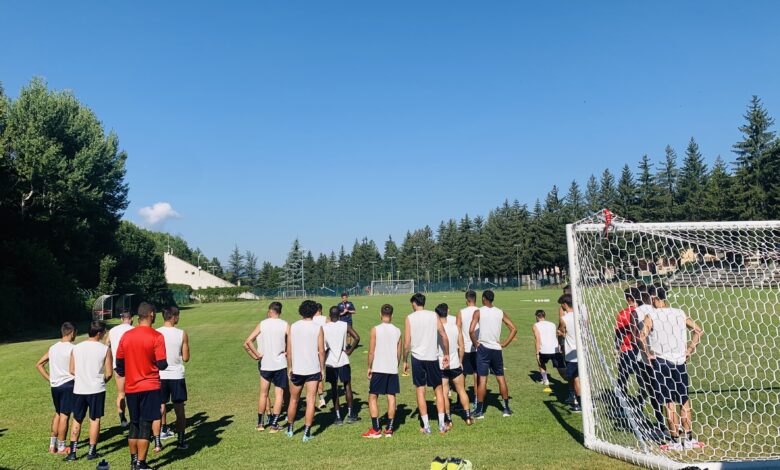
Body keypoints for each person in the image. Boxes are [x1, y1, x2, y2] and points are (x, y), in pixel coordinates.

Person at [640, 285, 704, 451]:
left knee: (669, 403)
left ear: (654, 298)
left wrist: (647, 354)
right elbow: (698, 331)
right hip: (679, 361)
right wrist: (689, 350)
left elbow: (641, 336)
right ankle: (689, 439)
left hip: (662, 362)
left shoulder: (651, 315)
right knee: (684, 400)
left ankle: (675, 441)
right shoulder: (679, 313)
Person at [116, 302, 168, 470]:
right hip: (150, 386)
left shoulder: (126, 336)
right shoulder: (157, 336)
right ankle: (141, 463)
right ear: (151, 314)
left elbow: (119, 364)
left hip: (131, 387)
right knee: (145, 424)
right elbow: (162, 364)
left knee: (134, 424)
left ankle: (133, 461)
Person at [403, 292, 450, 435]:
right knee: (438, 389)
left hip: (417, 358)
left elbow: (407, 343)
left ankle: (427, 426)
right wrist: (447, 353)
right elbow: (443, 334)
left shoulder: (410, 318)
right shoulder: (433, 315)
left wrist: (404, 360)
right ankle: (441, 425)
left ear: (414, 303)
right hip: (432, 356)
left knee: (420, 390)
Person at [66, 321, 112, 461]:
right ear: (99, 333)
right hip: (96, 389)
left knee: (77, 419)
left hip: (79, 388)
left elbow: (71, 370)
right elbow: (109, 373)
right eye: (104, 332)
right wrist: (100, 381)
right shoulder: (104, 349)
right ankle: (92, 452)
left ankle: (72, 453)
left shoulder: (76, 348)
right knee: (95, 419)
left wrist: (83, 377)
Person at [469, 290, 517, 418]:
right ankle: (506, 408)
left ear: (484, 298)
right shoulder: (500, 312)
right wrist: (505, 343)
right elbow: (514, 328)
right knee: (500, 378)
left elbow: (471, 331)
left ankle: (479, 411)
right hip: (496, 349)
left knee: (482, 380)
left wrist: (475, 343)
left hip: (483, 349)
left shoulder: (478, 312)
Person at [244, 301, 289, 433]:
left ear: (270, 311)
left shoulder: (263, 324)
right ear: (279, 312)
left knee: (263, 394)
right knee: (279, 394)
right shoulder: (285, 324)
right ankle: (274, 425)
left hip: (265, 364)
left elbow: (248, 341)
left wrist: (256, 354)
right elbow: (292, 340)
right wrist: (287, 351)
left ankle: (260, 423)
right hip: (280, 364)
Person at [286, 300, 325, 442]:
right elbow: (321, 351)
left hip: (297, 369)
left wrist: (290, 367)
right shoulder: (318, 328)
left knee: (293, 400)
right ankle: (307, 433)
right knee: (310, 401)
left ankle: (290, 429)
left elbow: (289, 350)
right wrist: (322, 368)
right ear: (315, 312)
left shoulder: (294, 326)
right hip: (313, 369)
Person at [35, 322, 77, 455]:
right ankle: (61, 447)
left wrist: (50, 379)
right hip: (68, 384)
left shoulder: (53, 348)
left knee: (58, 413)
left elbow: (39, 364)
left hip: (55, 386)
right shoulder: (73, 348)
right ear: (72, 333)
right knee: (65, 415)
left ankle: (52, 445)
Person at [362, 304, 401, 438]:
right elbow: (398, 353)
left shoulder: (375, 329)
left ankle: (376, 429)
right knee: (391, 396)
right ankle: (389, 429)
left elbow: (371, 351)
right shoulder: (397, 331)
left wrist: (369, 367)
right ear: (392, 315)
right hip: (392, 368)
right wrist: (395, 365)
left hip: (378, 367)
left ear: (380, 314)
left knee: (373, 396)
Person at [157, 306, 190, 450]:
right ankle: (181, 441)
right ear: (174, 317)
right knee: (179, 409)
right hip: (176, 375)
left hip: (160, 375)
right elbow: (186, 357)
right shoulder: (181, 333)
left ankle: (158, 441)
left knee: (159, 407)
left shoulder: (156, 333)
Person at [436, 303, 473, 428]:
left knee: (444, 393)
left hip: (441, 364)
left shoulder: (436, 330)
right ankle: (467, 417)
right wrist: (460, 361)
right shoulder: (456, 327)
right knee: (461, 390)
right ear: (447, 311)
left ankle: (449, 420)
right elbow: (461, 347)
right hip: (455, 363)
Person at [323, 306, 361, 424]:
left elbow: (322, 347)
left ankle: (338, 417)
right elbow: (357, 338)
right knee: (347, 386)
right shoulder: (345, 325)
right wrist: (349, 351)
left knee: (334, 388)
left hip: (330, 361)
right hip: (343, 359)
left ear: (330, 316)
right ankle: (350, 414)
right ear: (339, 314)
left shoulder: (324, 327)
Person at [105, 311, 133, 428]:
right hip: (132, 364)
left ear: (122, 319)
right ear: (131, 319)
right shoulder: (133, 329)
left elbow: (106, 344)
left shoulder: (112, 330)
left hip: (117, 364)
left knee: (121, 393)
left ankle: (122, 418)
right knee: (133, 392)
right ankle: (135, 416)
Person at [557, 295, 581, 412]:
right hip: (582, 352)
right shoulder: (581, 315)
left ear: (565, 304)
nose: (561, 307)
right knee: (581, 378)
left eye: (561, 305)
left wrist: (561, 335)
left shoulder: (564, 318)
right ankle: (583, 401)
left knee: (572, 378)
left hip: (571, 353)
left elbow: (560, 331)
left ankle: (576, 402)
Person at [456, 290, 479, 408]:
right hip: (477, 347)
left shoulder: (461, 312)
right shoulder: (480, 311)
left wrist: (458, 345)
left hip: (464, 347)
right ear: (475, 299)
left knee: (462, 374)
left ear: (466, 300)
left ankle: (460, 400)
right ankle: (476, 399)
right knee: (476, 373)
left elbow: (457, 329)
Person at [533, 310, 564, 392]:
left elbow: (538, 339)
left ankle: (545, 380)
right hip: (555, 350)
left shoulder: (536, 325)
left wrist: (537, 353)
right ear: (544, 316)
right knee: (561, 368)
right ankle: (570, 381)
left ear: (536, 316)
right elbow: (556, 335)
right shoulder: (552, 324)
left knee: (541, 364)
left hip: (544, 350)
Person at [312, 303, 328, 409]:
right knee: (320, 373)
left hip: (313, 349)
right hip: (324, 349)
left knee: (313, 375)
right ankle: (321, 399)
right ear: (321, 310)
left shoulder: (311, 319)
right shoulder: (326, 319)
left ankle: (319, 399)